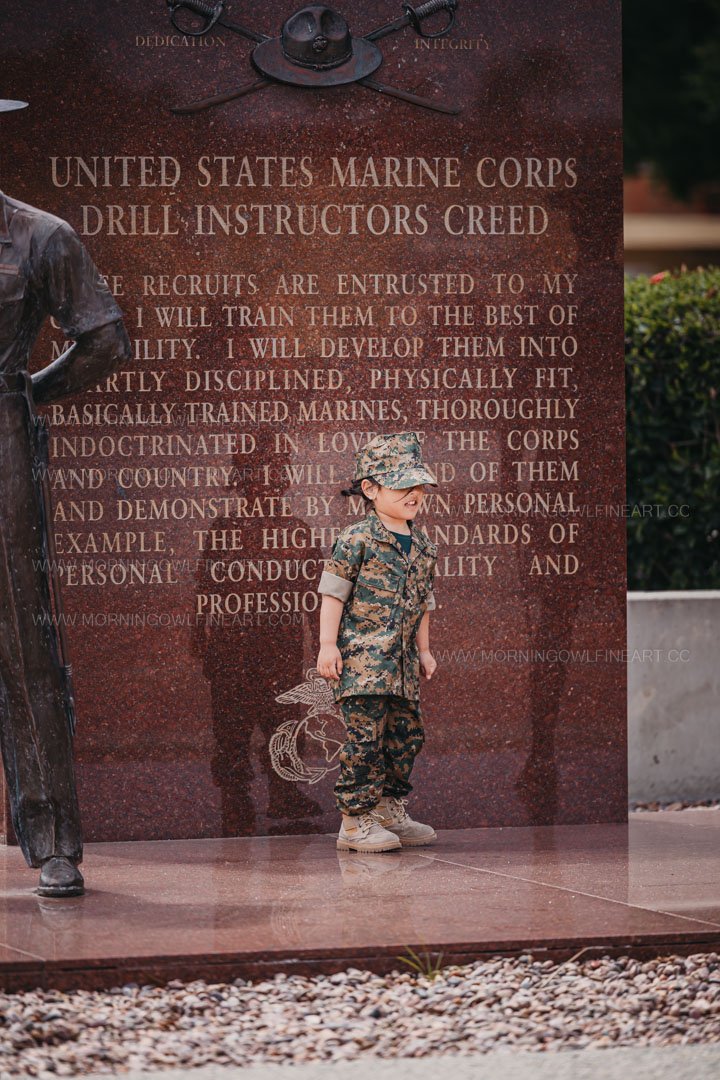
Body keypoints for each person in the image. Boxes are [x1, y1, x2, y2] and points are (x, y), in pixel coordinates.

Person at [0, 98, 132, 897]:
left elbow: (105, 340)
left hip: (1, 440)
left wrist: (23, 397)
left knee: (22, 640)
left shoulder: (38, 235)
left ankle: (53, 838)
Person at [316, 431, 439, 853]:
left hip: (402, 665)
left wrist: (423, 650)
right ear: (370, 488)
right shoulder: (356, 539)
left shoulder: (422, 544)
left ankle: (388, 809)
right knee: (365, 740)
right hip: (363, 662)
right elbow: (334, 593)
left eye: (419, 485)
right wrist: (327, 645)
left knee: (406, 735)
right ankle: (354, 821)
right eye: (403, 485)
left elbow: (424, 603)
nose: (414, 494)